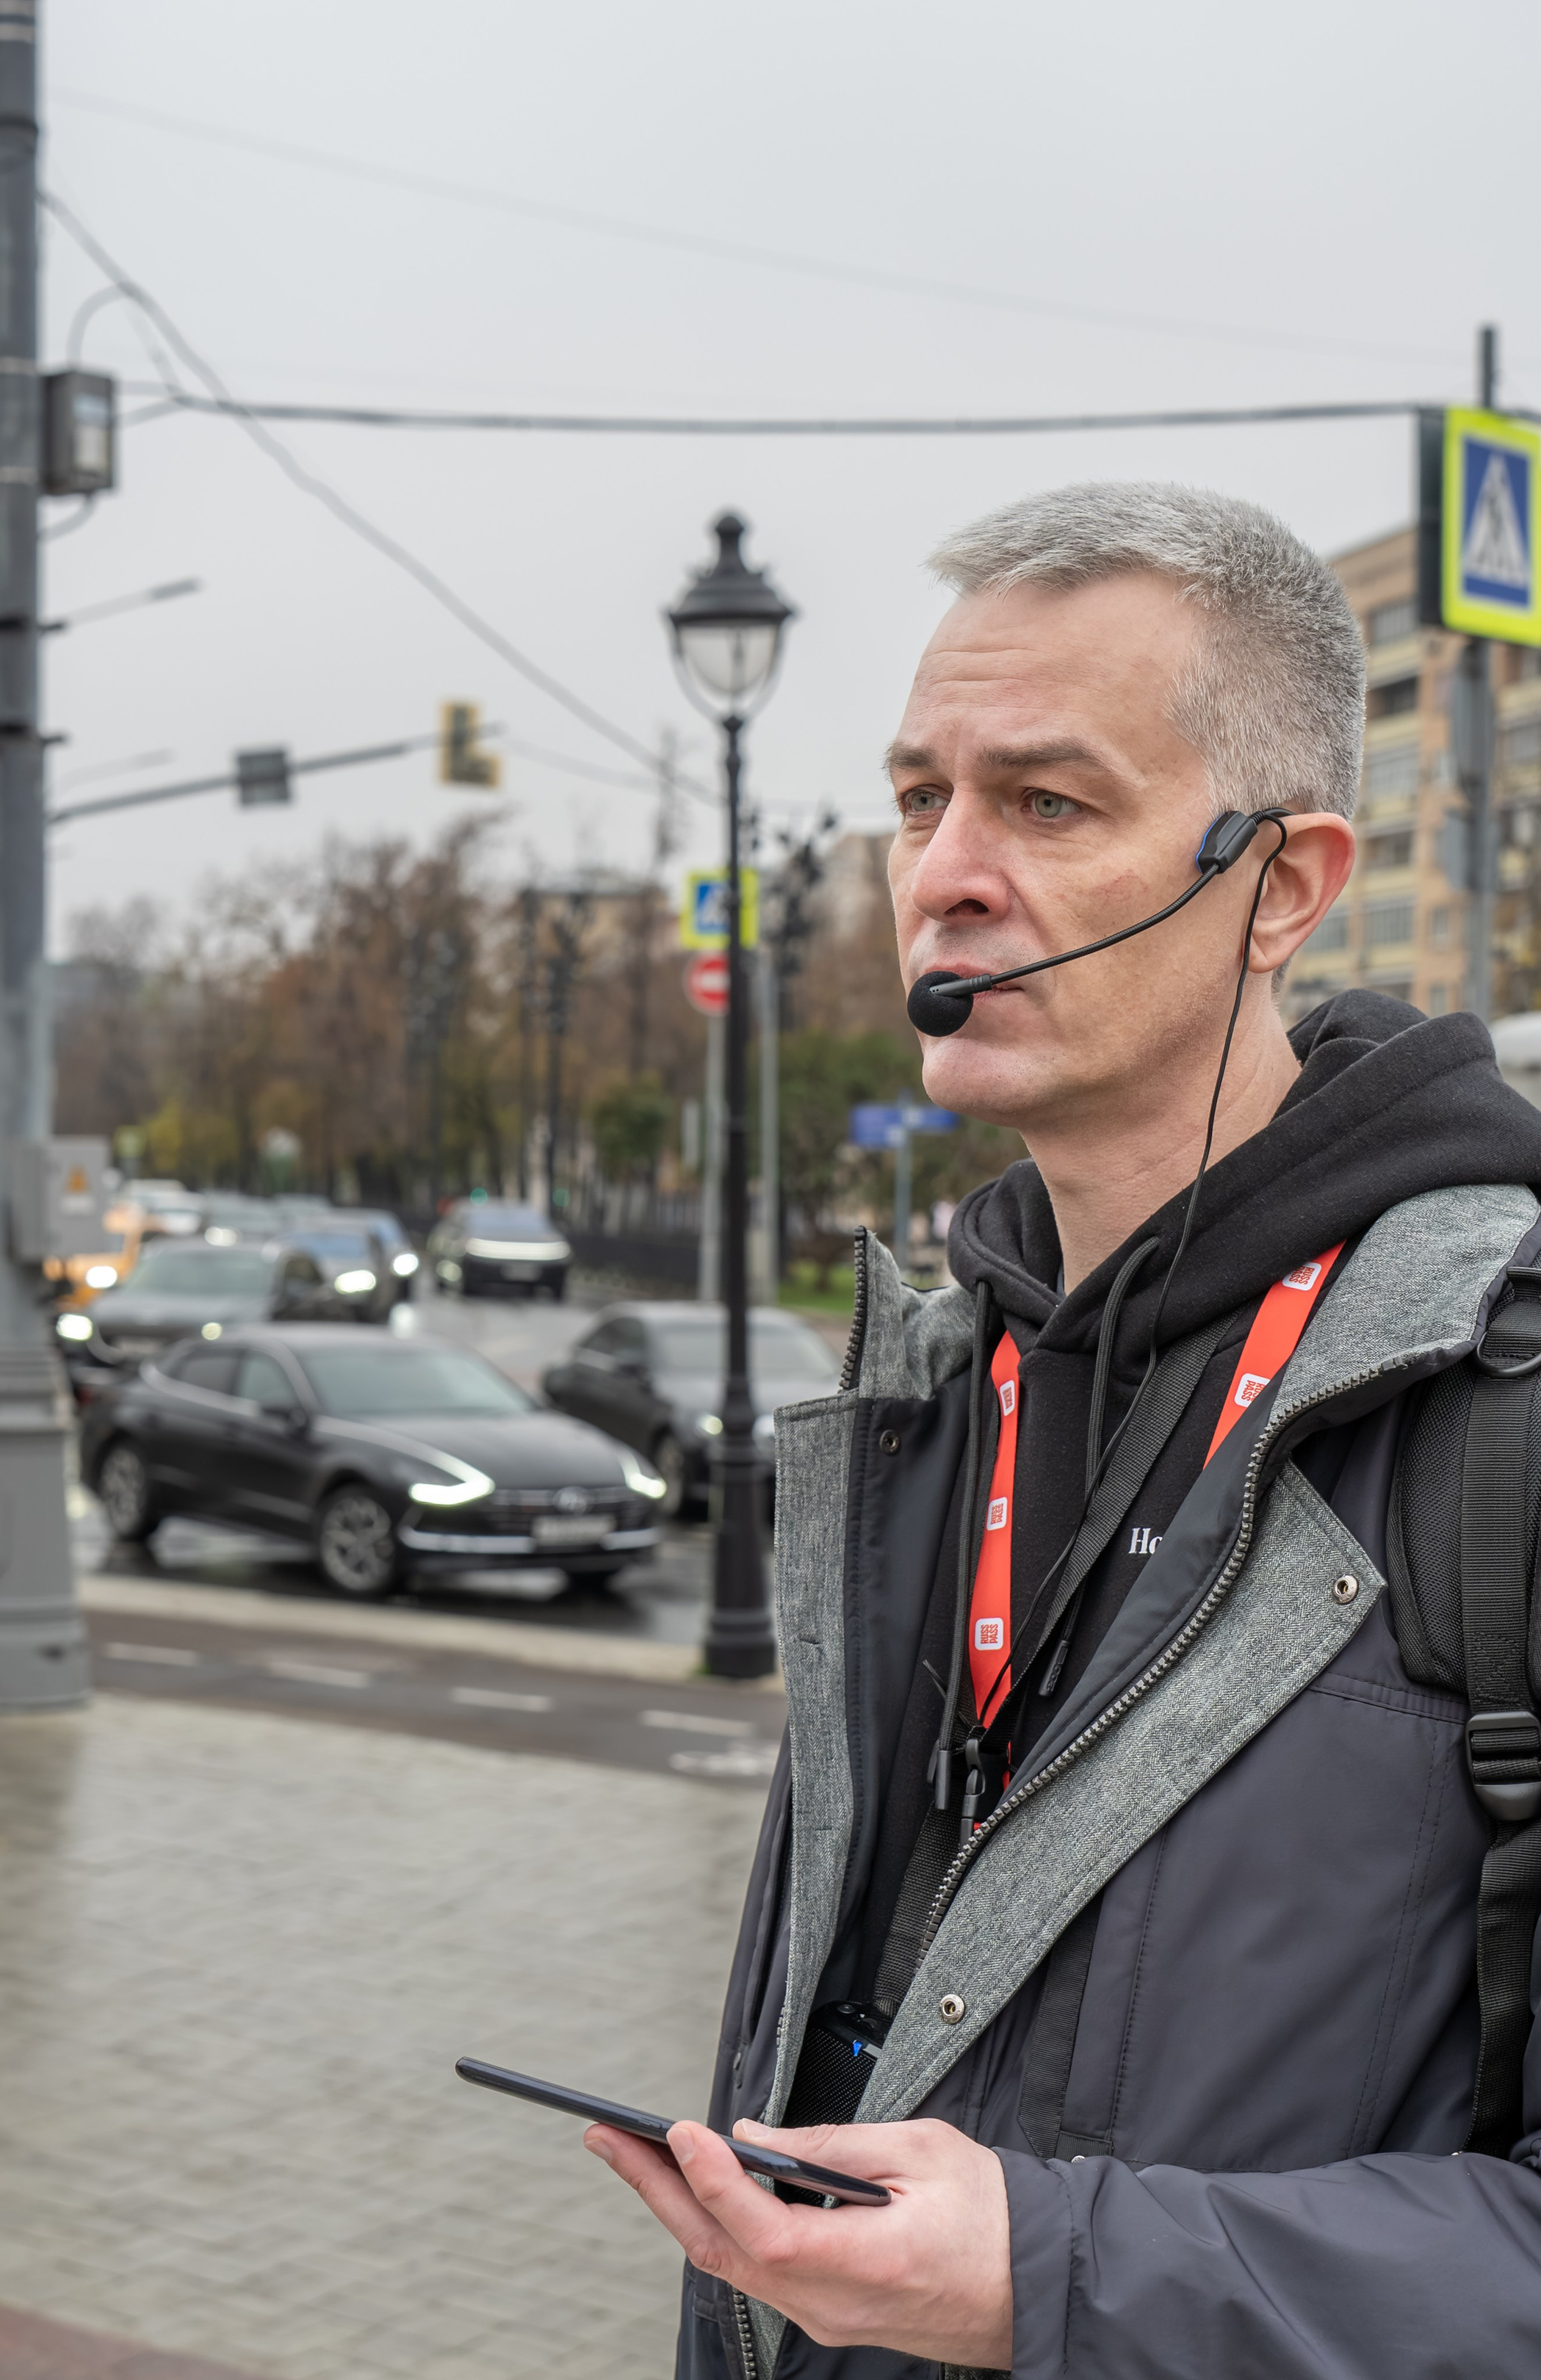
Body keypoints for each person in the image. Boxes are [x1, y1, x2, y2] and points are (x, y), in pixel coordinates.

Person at [586, 483, 1541, 2376]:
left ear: (1282, 885)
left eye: (1046, 804)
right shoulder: (933, 1393)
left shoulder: (1497, 1413)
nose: (942, 874)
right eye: (917, 799)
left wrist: (1055, 2274)